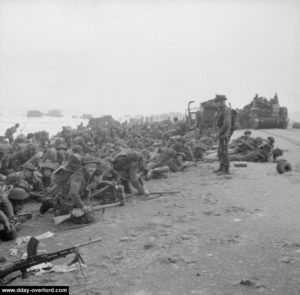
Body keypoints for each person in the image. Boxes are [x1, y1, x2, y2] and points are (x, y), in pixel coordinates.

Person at [54, 156, 101, 224]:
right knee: (90, 218)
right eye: (90, 166)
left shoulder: (86, 174)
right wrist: (83, 206)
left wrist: (86, 203)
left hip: (73, 199)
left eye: (94, 167)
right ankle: (65, 214)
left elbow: (85, 190)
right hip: (67, 201)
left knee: (90, 211)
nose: (93, 169)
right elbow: (73, 193)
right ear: (85, 166)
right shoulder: (78, 176)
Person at [214, 94, 231, 175]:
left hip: (224, 133)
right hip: (221, 132)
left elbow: (227, 124)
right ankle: (221, 167)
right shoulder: (220, 110)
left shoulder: (226, 110)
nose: (216, 103)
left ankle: (226, 169)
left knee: (224, 151)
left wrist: (219, 133)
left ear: (222, 102)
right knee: (220, 151)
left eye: (218, 102)